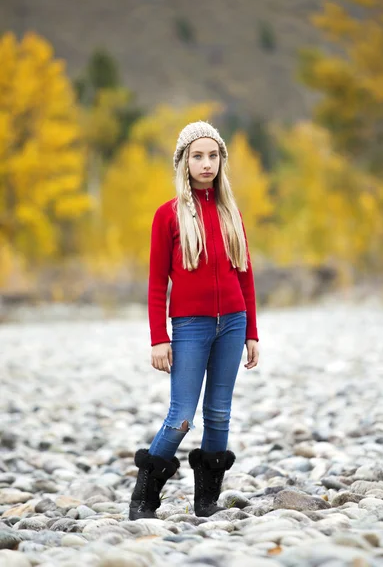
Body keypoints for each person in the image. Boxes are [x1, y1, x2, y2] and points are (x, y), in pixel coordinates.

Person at [129, 121, 259, 520]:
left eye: (213, 156)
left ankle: (207, 502)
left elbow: (245, 274)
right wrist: (158, 338)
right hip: (190, 327)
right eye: (197, 156)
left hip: (232, 323)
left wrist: (252, 331)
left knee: (219, 412)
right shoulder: (167, 216)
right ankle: (144, 498)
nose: (206, 164)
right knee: (182, 415)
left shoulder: (230, 212)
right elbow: (156, 283)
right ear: (184, 162)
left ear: (222, 161)